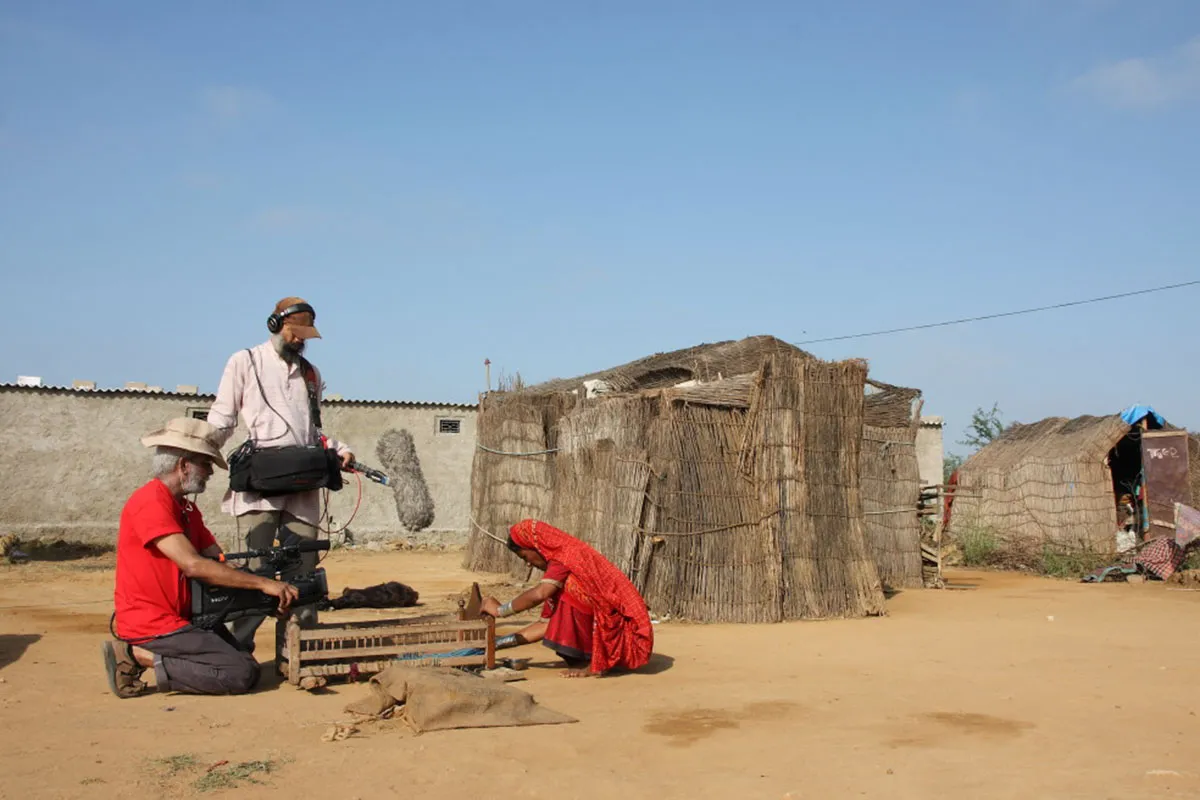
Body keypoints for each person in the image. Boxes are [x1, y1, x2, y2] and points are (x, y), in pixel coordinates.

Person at [103, 418, 299, 698]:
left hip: (186, 617)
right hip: (154, 623)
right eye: (205, 464)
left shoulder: (186, 510)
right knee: (239, 674)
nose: (209, 472)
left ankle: (149, 657)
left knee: (243, 660)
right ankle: (136, 655)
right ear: (183, 466)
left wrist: (267, 595)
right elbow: (194, 565)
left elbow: (218, 562)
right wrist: (262, 585)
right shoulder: (150, 503)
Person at [206, 297, 354, 654]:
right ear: (275, 325)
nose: (300, 341)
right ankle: (233, 652)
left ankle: (300, 655)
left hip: (303, 489)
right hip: (261, 486)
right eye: (295, 333)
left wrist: (338, 449)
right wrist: (199, 449)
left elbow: (311, 431)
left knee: (303, 575)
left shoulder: (311, 374)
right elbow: (222, 417)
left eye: (306, 336)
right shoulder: (245, 361)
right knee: (255, 573)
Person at [480, 519, 654, 677]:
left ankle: (593, 662)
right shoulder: (559, 563)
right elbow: (545, 625)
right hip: (610, 621)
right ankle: (590, 657)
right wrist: (497, 643)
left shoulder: (564, 557)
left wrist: (500, 611)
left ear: (535, 546)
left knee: (568, 593)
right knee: (563, 596)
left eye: (525, 557)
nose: (528, 563)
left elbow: (539, 594)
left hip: (619, 627)